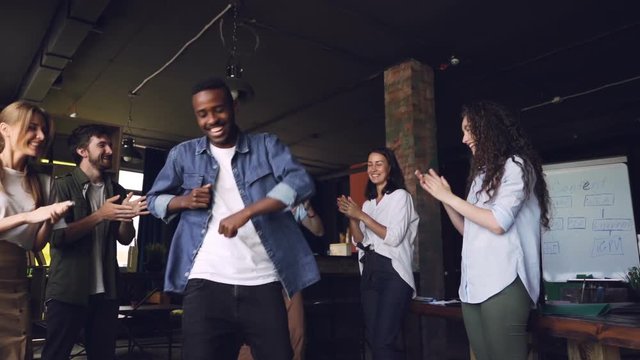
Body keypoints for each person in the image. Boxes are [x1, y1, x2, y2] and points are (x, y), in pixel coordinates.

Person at [146, 77, 320, 360]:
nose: (212, 119)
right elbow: (153, 200)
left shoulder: (265, 146)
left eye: (219, 110)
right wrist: (183, 201)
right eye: (203, 114)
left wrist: (248, 212)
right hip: (205, 281)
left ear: (234, 107)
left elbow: (301, 181)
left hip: (262, 281)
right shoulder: (183, 154)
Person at [414, 101, 550, 360]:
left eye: (468, 130)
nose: (464, 139)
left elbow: (498, 223)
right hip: (473, 285)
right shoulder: (481, 176)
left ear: (488, 129)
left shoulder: (517, 166)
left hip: (505, 281)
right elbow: (469, 230)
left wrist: (451, 198)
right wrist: (445, 198)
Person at [42, 124, 149, 360]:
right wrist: (100, 215)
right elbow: (57, 238)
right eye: (102, 144)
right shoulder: (61, 186)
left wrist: (127, 218)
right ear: (82, 151)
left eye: (110, 145)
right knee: (55, 355)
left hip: (106, 294)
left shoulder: (116, 189)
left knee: (103, 355)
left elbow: (125, 238)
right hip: (68, 293)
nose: (110, 150)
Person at [0, 101, 73, 360]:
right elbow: (28, 219)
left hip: (15, 277)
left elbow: (36, 245)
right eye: (31, 128)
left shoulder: (44, 182)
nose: (41, 136)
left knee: (16, 351)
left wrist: (50, 218)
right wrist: (29, 216)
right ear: (5, 129)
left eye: (43, 130)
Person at [337, 147, 418, 360]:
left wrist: (361, 215)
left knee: (384, 341)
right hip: (370, 271)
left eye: (379, 163)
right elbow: (360, 241)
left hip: (393, 272)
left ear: (390, 168)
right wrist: (352, 217)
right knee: (374, 339)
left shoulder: (401, 197)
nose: (373, 169)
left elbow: (393, 237)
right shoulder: (368, 204)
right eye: (370, 164)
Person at [237, 199, 324, 360]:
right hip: (256, 278)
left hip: (289, 277)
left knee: (295, 334)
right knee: (254, 335)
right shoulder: (248, 198)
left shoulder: (290, 204)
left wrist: (309, 209)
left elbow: (318, 230)